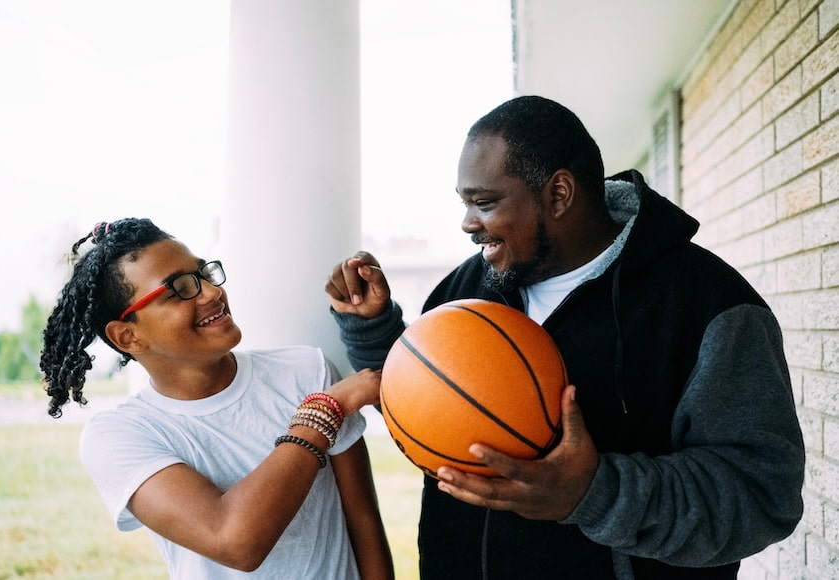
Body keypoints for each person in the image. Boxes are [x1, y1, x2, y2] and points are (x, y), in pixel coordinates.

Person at [325, 96, 805, 579]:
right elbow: (428, 406)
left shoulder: (708, 303)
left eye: (484, 202)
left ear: (558, 194)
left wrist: (594, 493)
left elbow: (761, 496)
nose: (468, 223)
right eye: (465, 202)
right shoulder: (464, 291)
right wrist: (374, 326)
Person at [40, 218, 394, 579]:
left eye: (203, 275)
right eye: (179, 289)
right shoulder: (120, 436)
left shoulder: (308, 370)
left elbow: (363, 523)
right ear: (128, 337)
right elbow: (235, 541)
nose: (210, 293)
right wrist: (322, 412)